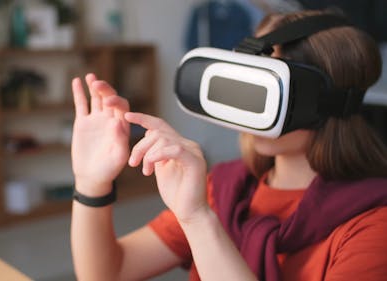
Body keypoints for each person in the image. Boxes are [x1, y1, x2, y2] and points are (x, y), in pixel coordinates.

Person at [70, 10, 387, 281]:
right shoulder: (223, 189)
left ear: (319, 100)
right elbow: (109, 272)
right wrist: (90, 182)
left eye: (266, 88)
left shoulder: (373, 226)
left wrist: (199, 220)